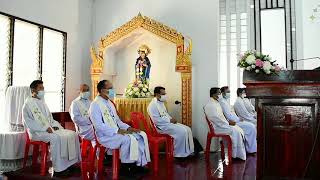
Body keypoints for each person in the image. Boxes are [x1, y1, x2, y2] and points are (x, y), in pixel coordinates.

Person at [89, 80, 150, 174]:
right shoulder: (95, 105)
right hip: (105, 135)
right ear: (101, 90)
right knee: (127, 139)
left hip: (115, 132)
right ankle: (126, 167)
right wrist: (117, 130)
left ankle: (138, 164)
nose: (112, 90)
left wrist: (129, 128)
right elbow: (98, 126)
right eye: (110, 88)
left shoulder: (109, 103)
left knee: (139, 135)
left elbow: (117, 121)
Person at [22, 80, 81, 176]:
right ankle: (59, 169)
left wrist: (57, 127)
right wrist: (45, 128)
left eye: (43, 88)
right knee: (56, 138)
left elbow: (50, 119)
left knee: (72, 134)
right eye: (40, 88)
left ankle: (70, 164)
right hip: (36, 132)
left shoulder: (42, 102)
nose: (43, 90)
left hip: (49, 129)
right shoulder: (28, 105)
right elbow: (29, 123)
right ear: (33, 90)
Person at [148, 86, 194, 158]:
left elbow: (165, 114)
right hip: (160, 127)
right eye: (163, 94)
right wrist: (169, 120)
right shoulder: (152, 105)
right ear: (157, 94)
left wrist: (171, 119)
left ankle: (188, 152)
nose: (165, 95)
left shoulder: (161, 103)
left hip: (167, 124)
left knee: (187, 129)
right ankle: (178, 154)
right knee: (182, 131)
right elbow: (156, 120)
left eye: (165, 93)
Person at [203, 87, 246, 160]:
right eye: (219, 93)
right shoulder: (210, 105)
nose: (220, 94)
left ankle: (236, 154)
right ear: (213, 94)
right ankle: (234, 155)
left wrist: (228, 123)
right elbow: (216, 119)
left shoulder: (216, 103)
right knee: (235, 131)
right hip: (216, 128)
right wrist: (228, 123)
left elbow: (221, 117)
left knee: (237, 129)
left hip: (221, 125)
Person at [219, 86, 257, 153]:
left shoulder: (225, 101)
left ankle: (250, 148)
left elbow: (231, 114)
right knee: (251, 126)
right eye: (227, 92)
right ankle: (250, 149)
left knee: (251, 126)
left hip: (236, 120)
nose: (229, 93)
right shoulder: (223, 102)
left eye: (229, 92)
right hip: (232, 122)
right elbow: (229, 116)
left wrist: (238, 118)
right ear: (222, 93)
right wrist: (239, 119)